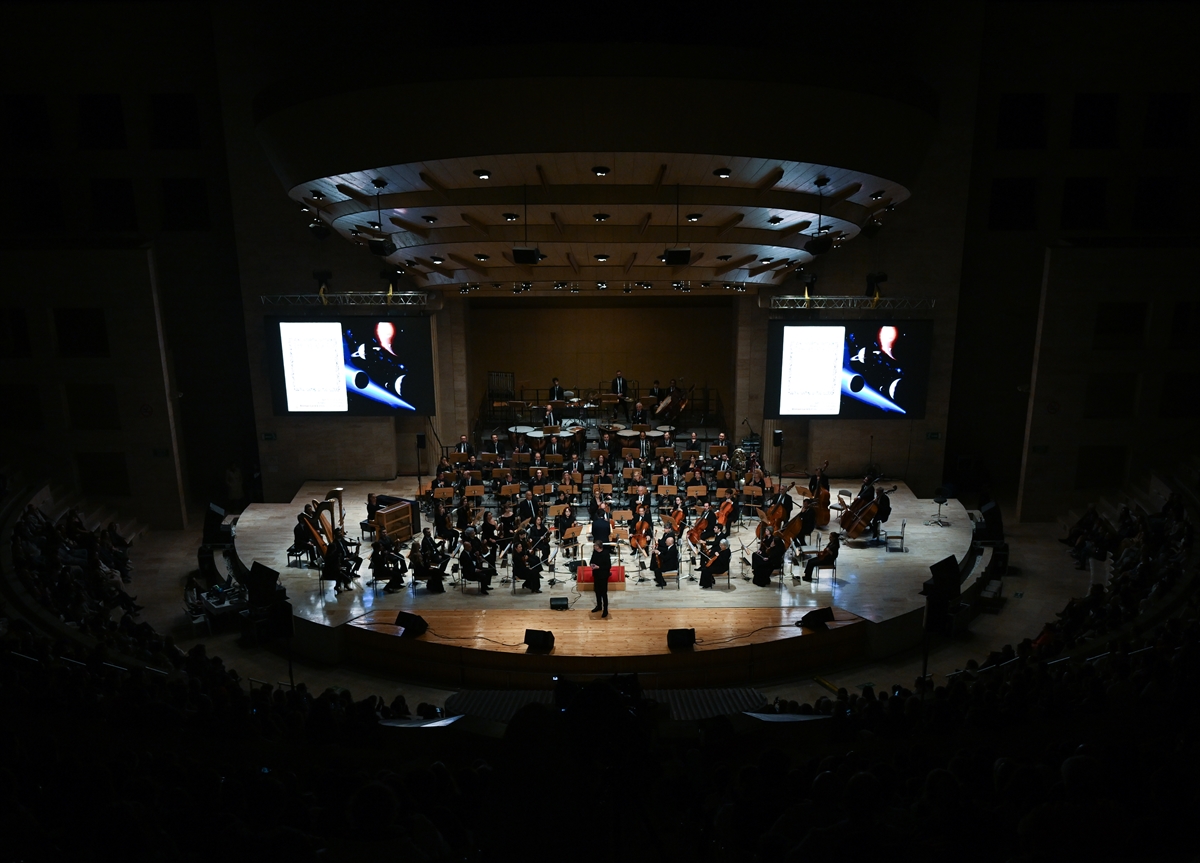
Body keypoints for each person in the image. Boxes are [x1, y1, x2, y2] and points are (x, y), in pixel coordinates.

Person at [589, 540, 612, 617]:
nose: (594, 546)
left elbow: (608, 566)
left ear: (598, 547)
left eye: (595, 545)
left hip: (603, 575)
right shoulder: (595, 552)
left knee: (603, 593)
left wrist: (599, 567)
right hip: (596, 574)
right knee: (597, 591)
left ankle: (605, 610)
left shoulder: (606, 554)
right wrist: (591, 565)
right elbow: (591, 560)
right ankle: (599, 606)